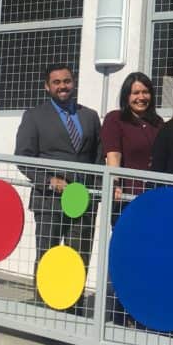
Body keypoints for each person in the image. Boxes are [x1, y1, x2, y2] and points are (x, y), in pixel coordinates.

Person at [14, 63, 102, 280]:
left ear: (73, 83)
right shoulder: (34, 116)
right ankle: (43, 309)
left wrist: (96, 192)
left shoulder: (90, 116)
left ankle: (74, 310)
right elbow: (23, 157)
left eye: (67, 81)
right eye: (57, 82)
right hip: (50, 199)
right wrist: (49, 181)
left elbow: (98, 157)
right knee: (48, 257)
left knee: (78, 259)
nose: (63, 86)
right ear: (47, 86)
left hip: (83, 200)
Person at [100, 71, 164, 211]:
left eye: (145, 92)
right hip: (126, 196)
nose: (141, 97)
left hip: (154, 197)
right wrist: (115, 183)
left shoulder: (158, 123)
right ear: (126, 96)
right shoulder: (115, 119)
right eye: (135, 93)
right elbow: (113, 155)